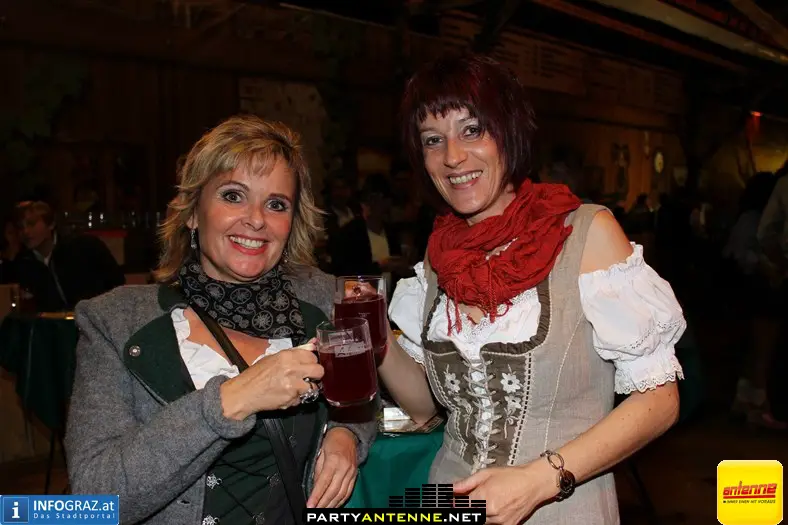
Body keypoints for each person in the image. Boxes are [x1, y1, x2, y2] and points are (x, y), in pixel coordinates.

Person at [378, 55, 684, 524]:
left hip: (558, 506)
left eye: (472, 130)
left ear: (509, 132)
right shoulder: (439, 257)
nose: (453, 156)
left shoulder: (586, 234)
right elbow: (425, 408)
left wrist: (540, 480)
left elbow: (659, 401)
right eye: (433, 140)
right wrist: (375, 339)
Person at [65, 115, 376, 525]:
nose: (256, 219)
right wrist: (233, 399)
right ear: (192, 213)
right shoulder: (114, 320)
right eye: (233, 196)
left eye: (276, 204)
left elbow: (363, 395)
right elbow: (91, 499)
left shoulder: (320, 298)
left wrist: (345, 435)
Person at [13, 200, 125, 311]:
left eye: (31, 224)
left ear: (51, 224)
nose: (25, 231)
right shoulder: (23, 263)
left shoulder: (84, 247)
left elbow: (116, 282)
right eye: (20, 227)